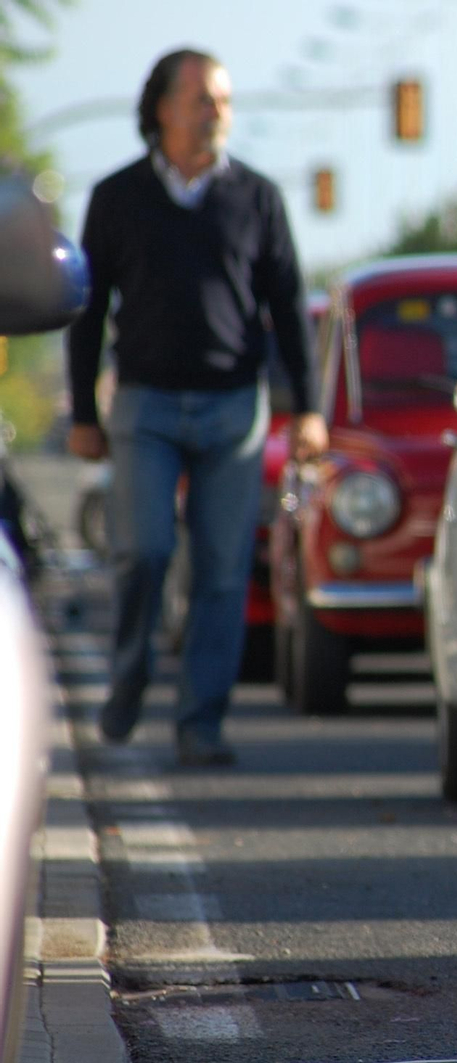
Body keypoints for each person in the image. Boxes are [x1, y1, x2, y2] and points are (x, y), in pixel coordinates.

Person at [65, 48, 327, 766]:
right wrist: (84, 412)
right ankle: (131, 675)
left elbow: (288, 308)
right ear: (163, 111)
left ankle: (200, 722)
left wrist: (307, 407)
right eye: (204, 99)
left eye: (225, 101)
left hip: (231, 408)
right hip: (144, 404)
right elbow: (86, 311)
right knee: (143, 550)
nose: (218, 114)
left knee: (221, 568)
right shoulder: (116, 197)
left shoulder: (258, 197)